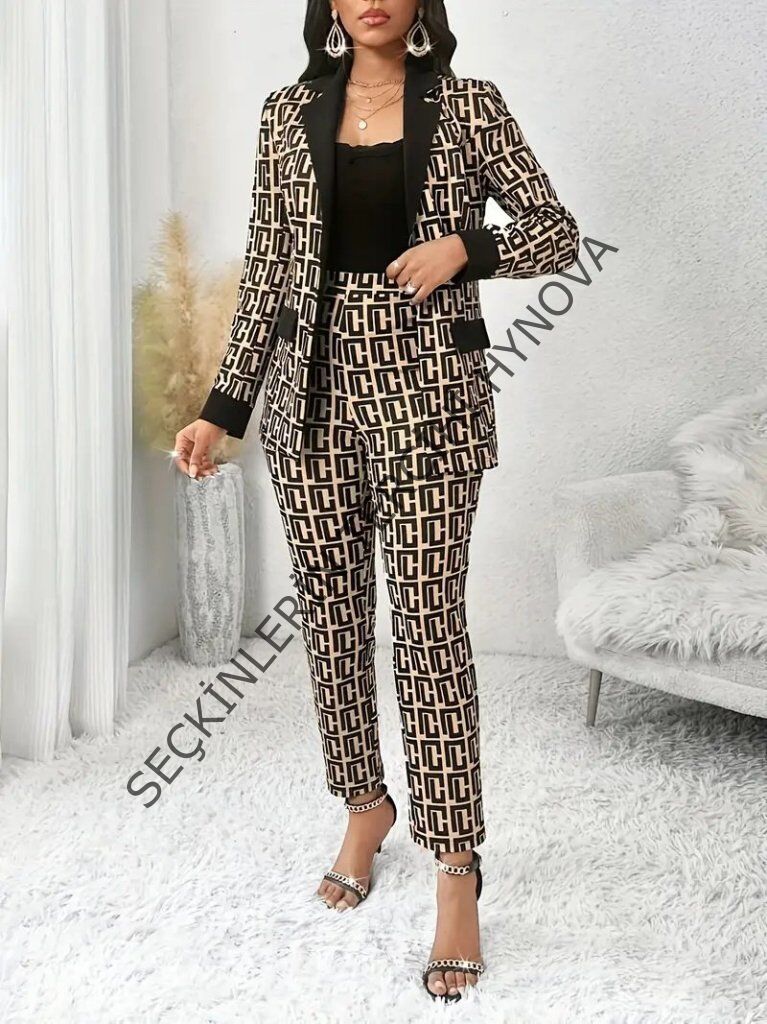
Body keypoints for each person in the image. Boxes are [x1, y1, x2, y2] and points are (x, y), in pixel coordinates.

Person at [174, 0, 579, 1003]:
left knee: (429, 628)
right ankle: (363, 806)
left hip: (429, 398)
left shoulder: (469, 104)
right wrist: (222, 409)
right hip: (307, 401)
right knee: (331, 618)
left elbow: (555, 231)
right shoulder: (285, 113)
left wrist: (467, 249)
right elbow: (269, 269)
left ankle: (455, 865)